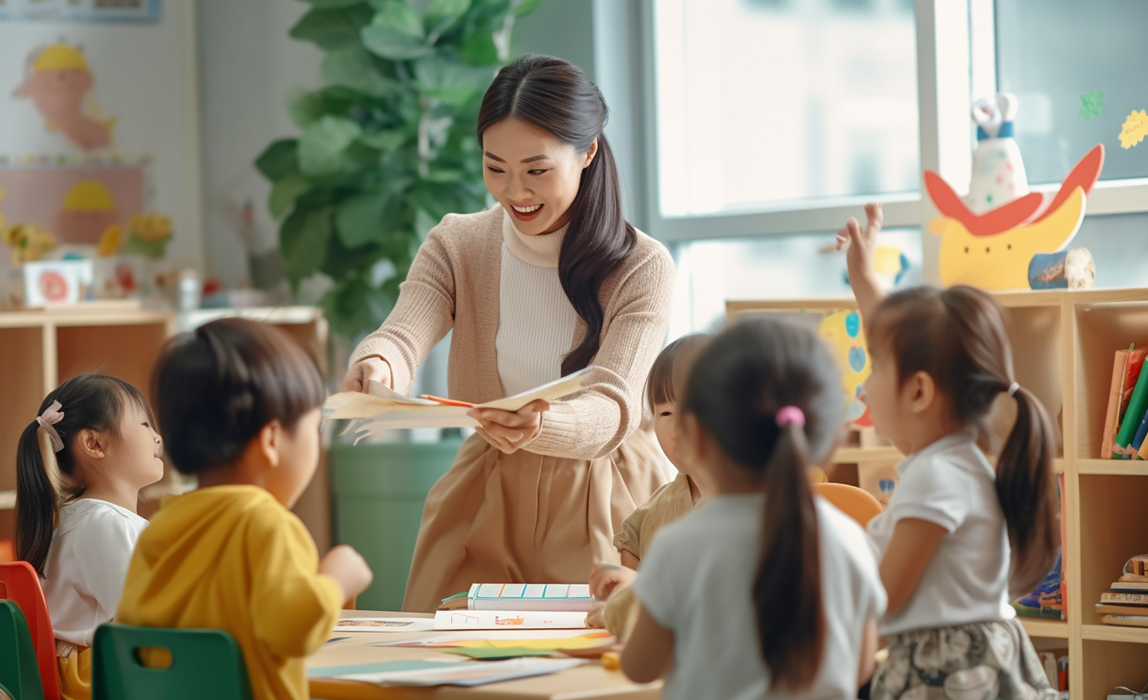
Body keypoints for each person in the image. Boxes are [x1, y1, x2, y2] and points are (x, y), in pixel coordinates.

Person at [342, 54, 675, 612]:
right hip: (488, 481)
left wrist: (543, 422)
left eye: (536, 170)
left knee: (594, 672)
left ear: (588, 151)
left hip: (607, 490)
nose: (514, 190)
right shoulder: (459, 243)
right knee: (443, 659)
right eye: (495, 167)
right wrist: (379, 363)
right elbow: (404, 328)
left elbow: (612, 406)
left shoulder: (641, 264)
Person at [841, 203, 1060, 699]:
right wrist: (863, 276)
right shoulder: (956, 460)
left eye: (872, 369)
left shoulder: (936, 476)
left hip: (948, 677)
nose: (864, 386)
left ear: (919, 393)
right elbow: (901, 341)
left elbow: (886, 598)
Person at [622, 317, 886, 699]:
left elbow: (639, 667)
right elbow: (862, 666)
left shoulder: (678, 545)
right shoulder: (851, 540)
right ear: (829, 441)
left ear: (696, 434)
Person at [116, 319, 372, 700]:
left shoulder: (161, 527)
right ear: (270, 440)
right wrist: (338, 577)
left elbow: (136, 638)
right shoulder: (268, 525)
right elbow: (291, 628)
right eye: (313, 429)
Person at [15, 374, 164, 700]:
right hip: (100, 678)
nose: (157, 437)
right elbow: (142, 619)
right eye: (144, 424)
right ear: (94, 444)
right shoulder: (105, 523)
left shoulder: (81, 520)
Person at [586, 333, 711, 640]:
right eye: (665, 413)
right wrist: (620, 591)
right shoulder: (647, 519)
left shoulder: (752, 509)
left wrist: (634, 597)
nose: (677, 427)